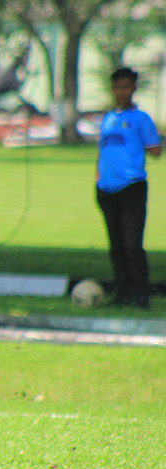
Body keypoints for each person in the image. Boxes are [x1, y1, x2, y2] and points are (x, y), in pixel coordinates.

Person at [96, 67, 162, 309]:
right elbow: (102, 152)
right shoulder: (108, 118)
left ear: (133, 88)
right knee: (116, 247)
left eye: (126, 87)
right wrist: (98, 181)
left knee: (133, 244)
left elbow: (155, 150)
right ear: (112, 89)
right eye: (117, 87)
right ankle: (122, 294)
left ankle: (141, 295)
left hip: (131, 188)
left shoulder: (141, 119)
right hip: (107, 189)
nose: (121, 92)